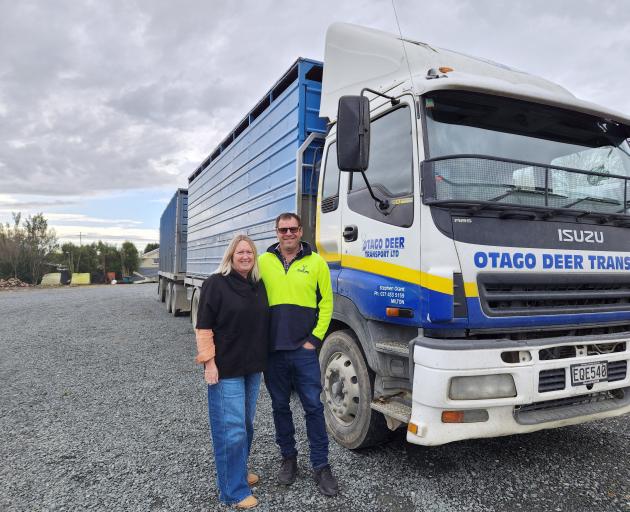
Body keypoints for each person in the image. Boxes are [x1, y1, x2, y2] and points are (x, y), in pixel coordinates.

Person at [258, 212, 339, 497]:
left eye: (293, 229)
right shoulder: (263, 261)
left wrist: (314, 340)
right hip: (273, 352)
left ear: (301, 231)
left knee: (314, 408)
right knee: (280, 407)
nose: (288, 234)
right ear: (276, 232)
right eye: (283, 229)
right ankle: (289, 458)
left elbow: (327, 303)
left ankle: (321, 465)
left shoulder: (316, 262)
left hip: (303, 351)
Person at [195, 234, 269, 509]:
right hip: (226, 370)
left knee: (246, 426)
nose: (245, 257)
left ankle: (237, 473)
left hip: (252, 368)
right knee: (231, 429)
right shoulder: (216, 284)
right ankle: (232, 491)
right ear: (230, 256)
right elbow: (203, 327)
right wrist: (209, 363)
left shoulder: (257, 285)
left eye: (249, 252)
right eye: (240, 253)